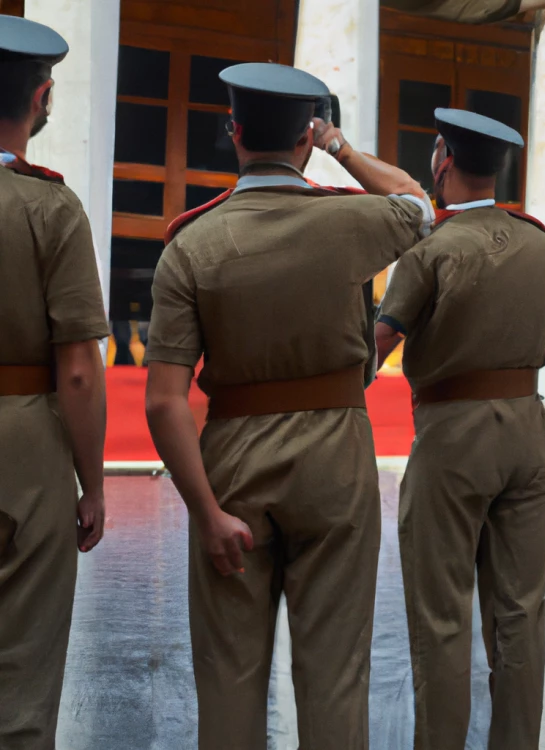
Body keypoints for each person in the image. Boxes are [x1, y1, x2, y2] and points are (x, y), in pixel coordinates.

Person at [144, 62, 432, 749]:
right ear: (304, 135)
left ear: (233, 132)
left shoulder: (192, 243)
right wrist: (340, 148)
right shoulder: (351, 220)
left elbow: (163, 401)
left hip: (232, 461)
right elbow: (418, 202)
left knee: (229, 674)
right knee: (334, 672)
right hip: (335, 455)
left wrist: (206, 511)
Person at [375, 108, 545, 750]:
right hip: (527, 432)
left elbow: (370, 352)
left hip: (451, 438)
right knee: (521, 617)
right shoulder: (537, 242)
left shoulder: (432, 247)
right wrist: (537, 448)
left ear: (442, 160)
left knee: (441, 618)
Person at [0, 16, 109, 749]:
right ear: (42, 96)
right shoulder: (50, 207)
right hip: (22, 443)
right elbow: (76, 366)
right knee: (22, 664)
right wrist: (93, 482)